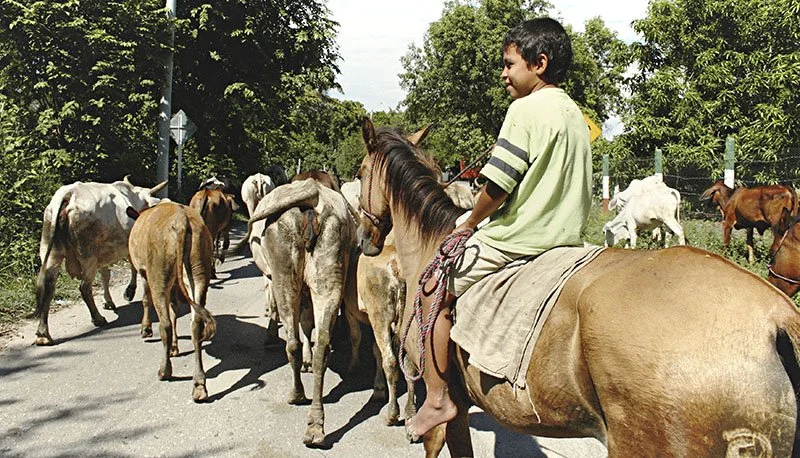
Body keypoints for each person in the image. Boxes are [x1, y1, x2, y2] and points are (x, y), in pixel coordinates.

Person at [407, 17, 593, 438]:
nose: (503, 74)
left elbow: (498, 186)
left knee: (431, 286)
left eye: (510, 65)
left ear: (539, 64)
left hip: (518, 239)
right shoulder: (574, 113)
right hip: (566, 240)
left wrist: (470, 221)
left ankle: (436, 399)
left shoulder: (524, 109)